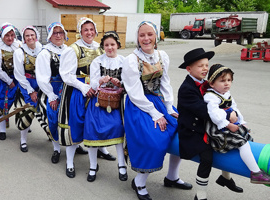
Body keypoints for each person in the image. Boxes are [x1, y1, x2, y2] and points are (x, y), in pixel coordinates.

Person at [122, 21, 192, 200]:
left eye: (149, 34)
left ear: (156, 37)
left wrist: (169, 107)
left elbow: (165, 83)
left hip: (160, 102)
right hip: (139, 105)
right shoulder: (132, 60)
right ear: (137, 38)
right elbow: (135, 93)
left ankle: (172, 177)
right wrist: (155, 114)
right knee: (155, 139)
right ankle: (139, 182)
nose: (146, 39)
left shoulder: (162, 55)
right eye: (142, 35)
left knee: (182, 131)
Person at [177, 48, 243, 200]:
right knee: (207, 158)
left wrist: (233, 112)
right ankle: (200, 195)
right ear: (189, 69)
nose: (205, 69)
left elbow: (221, 99)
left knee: (233, 140)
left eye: (206, 65)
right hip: (192, 130)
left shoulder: (207, 83)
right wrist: (228, 114)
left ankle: (225, 178)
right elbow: (204, 111)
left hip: (207, 124)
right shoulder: (186, 89)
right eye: (200, 66)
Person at [59, 17, 116, 179]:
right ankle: (70, 162)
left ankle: (100, 150)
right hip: (77, 92)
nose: (89, 32)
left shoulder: (99, 47)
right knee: (75, 125)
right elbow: (66, 75)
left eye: (92, 29)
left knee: (95, 124)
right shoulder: (73, 49)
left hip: (97, 91)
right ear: (80, 32)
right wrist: (84, 87)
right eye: (86, 30)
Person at [204, 64, 270, 181]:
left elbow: (235, 108)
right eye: (222, 80)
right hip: (219, 128)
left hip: (230, 124)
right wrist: (228, 123)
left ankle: (226, 176)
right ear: (212, 83)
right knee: (241, 142)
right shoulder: (210, 96)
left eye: (229, 80)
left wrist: (241, 121)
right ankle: (256, 173)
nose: (227, 83)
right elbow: (214, 114)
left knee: (247, 136)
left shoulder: (227, 95)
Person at [83, 31, 127, 182]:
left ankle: (122, 165)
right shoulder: (97, 61)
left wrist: (119, 84)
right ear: (102, 47)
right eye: (106, 45)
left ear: (118, 45)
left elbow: (129, 82)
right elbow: (91, 83)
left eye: (112, 44)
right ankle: (93, 166)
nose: (109, 48)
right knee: (93, 130)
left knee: (118, 129)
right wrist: (100, 81)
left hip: (116, 103)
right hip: (98, 101)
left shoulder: (124, 61)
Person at [35, 22, 68, 163]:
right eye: (55, 33)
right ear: (49, 36)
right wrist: (51, 96)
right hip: (52, 89)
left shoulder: (68, 50)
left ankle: (72, 143)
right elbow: (42, 77)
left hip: (68, 89)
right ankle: (56, 149)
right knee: (53, 119)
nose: (59, 35)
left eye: (61, 32)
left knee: (70, 119)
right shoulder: (45, 53)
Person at [0, 23, 22, 140]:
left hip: (18, 78)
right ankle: (2, 129)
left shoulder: (18, 45)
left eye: (12, 35)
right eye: (7, 35)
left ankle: (23, 125)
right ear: (2, 36)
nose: (10, 38)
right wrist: (8, 81)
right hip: (3, 79)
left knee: (21, 102)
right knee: (2, 103)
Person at [13, 25, 42, 152]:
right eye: (27, 35)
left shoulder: (42, 49)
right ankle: (23, 140)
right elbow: (19, 74)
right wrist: (30, 90)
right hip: (27, 83)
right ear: (24, 38)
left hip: (42, 83)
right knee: (25, 113)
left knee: (45, 112)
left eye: (32, 35)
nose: (30, 37)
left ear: (36, 36)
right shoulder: (19, 52)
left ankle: (50, 136)